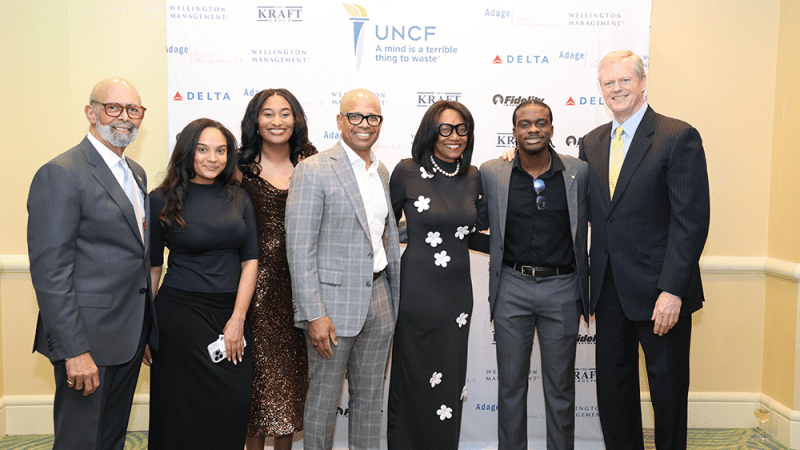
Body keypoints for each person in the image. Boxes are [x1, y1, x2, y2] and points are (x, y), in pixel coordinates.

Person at [580, 50, 710, 449]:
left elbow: (690, 222)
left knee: (667, 394)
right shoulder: (591, 142)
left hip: (660, 294)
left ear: (642, 82)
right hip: (608, 292)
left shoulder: (677, 135)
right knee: (614, 394)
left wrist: (673, 290)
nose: (616, 89)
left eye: (625, 80)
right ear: (601, 89)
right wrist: (513, 159)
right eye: (609, 82)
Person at [27, 77, 155, 450]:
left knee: (111, 438)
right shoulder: (62, 172)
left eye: (133, 109)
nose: (124, 117)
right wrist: (74, 350)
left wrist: (146, 329)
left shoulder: (136, 173)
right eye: (113, 107)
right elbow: (51, 273)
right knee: (80, 441)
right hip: (87, 341)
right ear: (91, 112)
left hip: (129, 336)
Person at [285, 88, 401, 450]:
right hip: (331, 308)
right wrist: (314, 313)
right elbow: (299, 248)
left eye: (373, 117)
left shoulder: (381, 171)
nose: (364, 124)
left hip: (379, 299)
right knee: (323, 400)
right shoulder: (313, 170)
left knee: (369, 400)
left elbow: (382, 235)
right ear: (340, 120)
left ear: (380, 122)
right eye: (355, 116)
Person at [484, 100, 590, 450]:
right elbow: (471, 220)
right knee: (511, 386)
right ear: (514, 132)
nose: (533, 130)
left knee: (560, 388)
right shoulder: (493, 172)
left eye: (541, 123)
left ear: (552, 129)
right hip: (511, 287)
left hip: (562, 288)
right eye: (525, 124)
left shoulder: (578, 172)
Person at [147, 118, 258, 450]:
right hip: (179, 319)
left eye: (221, 150)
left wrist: (237, 319)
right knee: (179, 410)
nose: (213, 158)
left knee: (232, 404)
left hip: (230, 314)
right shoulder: (160, 199)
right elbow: (153, 268)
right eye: (203, 150)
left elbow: (250, 261)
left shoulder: (240, 197)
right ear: (187, 152)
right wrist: (145, 327)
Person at [386, 100, 489, 449]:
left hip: (457, 296)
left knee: (450, 379)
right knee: (414, 374)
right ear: (431, 132)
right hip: (417, 291)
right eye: (445, 129)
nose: (454, 136)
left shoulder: (473, 176)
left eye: (462, 129)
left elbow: (475, 233)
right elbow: (383, 230)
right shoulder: (406, 171)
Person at [238, 88, 317, 450]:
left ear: (296, 119)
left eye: (285, 113)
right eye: (268, 113)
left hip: (303, 286)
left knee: (291, 383)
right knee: (256, 384)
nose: (277, 121)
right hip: (253, 288)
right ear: (255, 121)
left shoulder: (312, 163)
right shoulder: (238, 167)